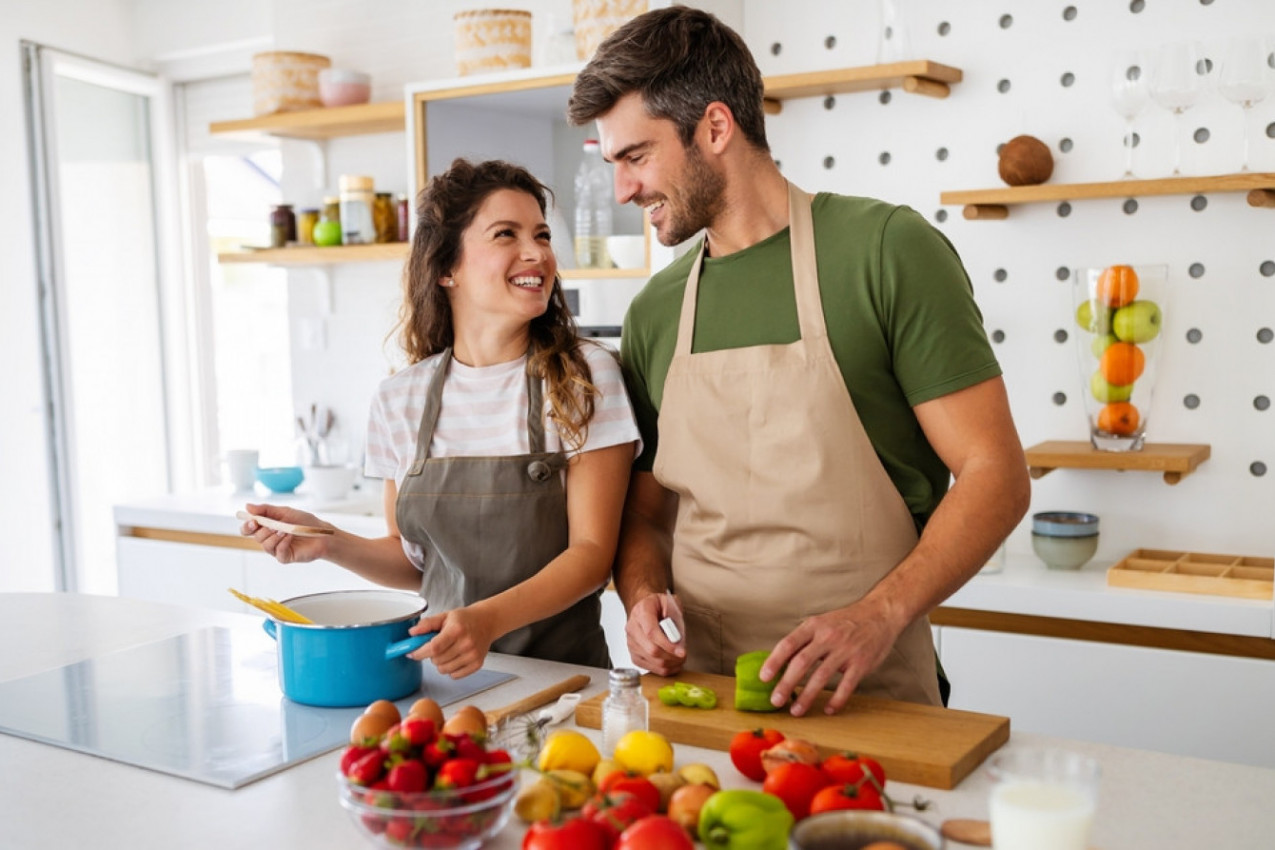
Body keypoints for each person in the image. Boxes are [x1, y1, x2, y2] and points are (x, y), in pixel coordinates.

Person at [567, 6, 1031, 714]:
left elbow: (993, 474)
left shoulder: (883, 252)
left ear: (715, 128)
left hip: (866, 691)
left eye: (635, 156)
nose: (622, 190)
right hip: (702, 694)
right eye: (612, 165)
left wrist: (877, 617)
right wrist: (638, 597)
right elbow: (649, 515)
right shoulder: (655, 311)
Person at [241, 158, 640, 676]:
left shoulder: (586, 376)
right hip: (443, 679)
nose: (536, 252)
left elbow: (591, 555)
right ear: (445, 268)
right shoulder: (399, 399)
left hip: (564, 681)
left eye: (541, 235)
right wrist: (328, 542)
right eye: (506, 234)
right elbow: (415, 564)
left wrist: (484, 622)